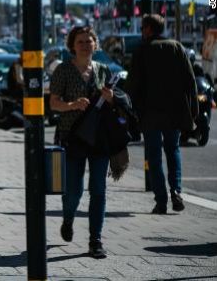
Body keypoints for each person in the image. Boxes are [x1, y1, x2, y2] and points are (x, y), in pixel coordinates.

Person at [49, 26, 113, 259]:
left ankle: (95, 241)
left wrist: (111, 99)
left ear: (95, 44)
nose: (85, 45)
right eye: (80, 42)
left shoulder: (104, 70)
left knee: (98, 190)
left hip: (98, 139)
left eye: (89, 41)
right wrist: (73, 105)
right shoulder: (63, 71)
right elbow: (53, 104)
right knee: (74, 191)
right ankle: (68, 219)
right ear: (72, 46)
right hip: (72, 137)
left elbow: (112, 106)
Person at [126, 14, 197, 214]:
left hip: (150, 114)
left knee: (154, 157)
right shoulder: (177, 48)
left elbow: (133, 85)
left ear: (148, 29)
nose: (141, 32)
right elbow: (190, 81)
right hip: (174, 112)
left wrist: (128, 110)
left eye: (142, 28)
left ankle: (161, 200)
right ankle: (176, 191)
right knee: (173, 151)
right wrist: (193, 112)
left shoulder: (142, 50)